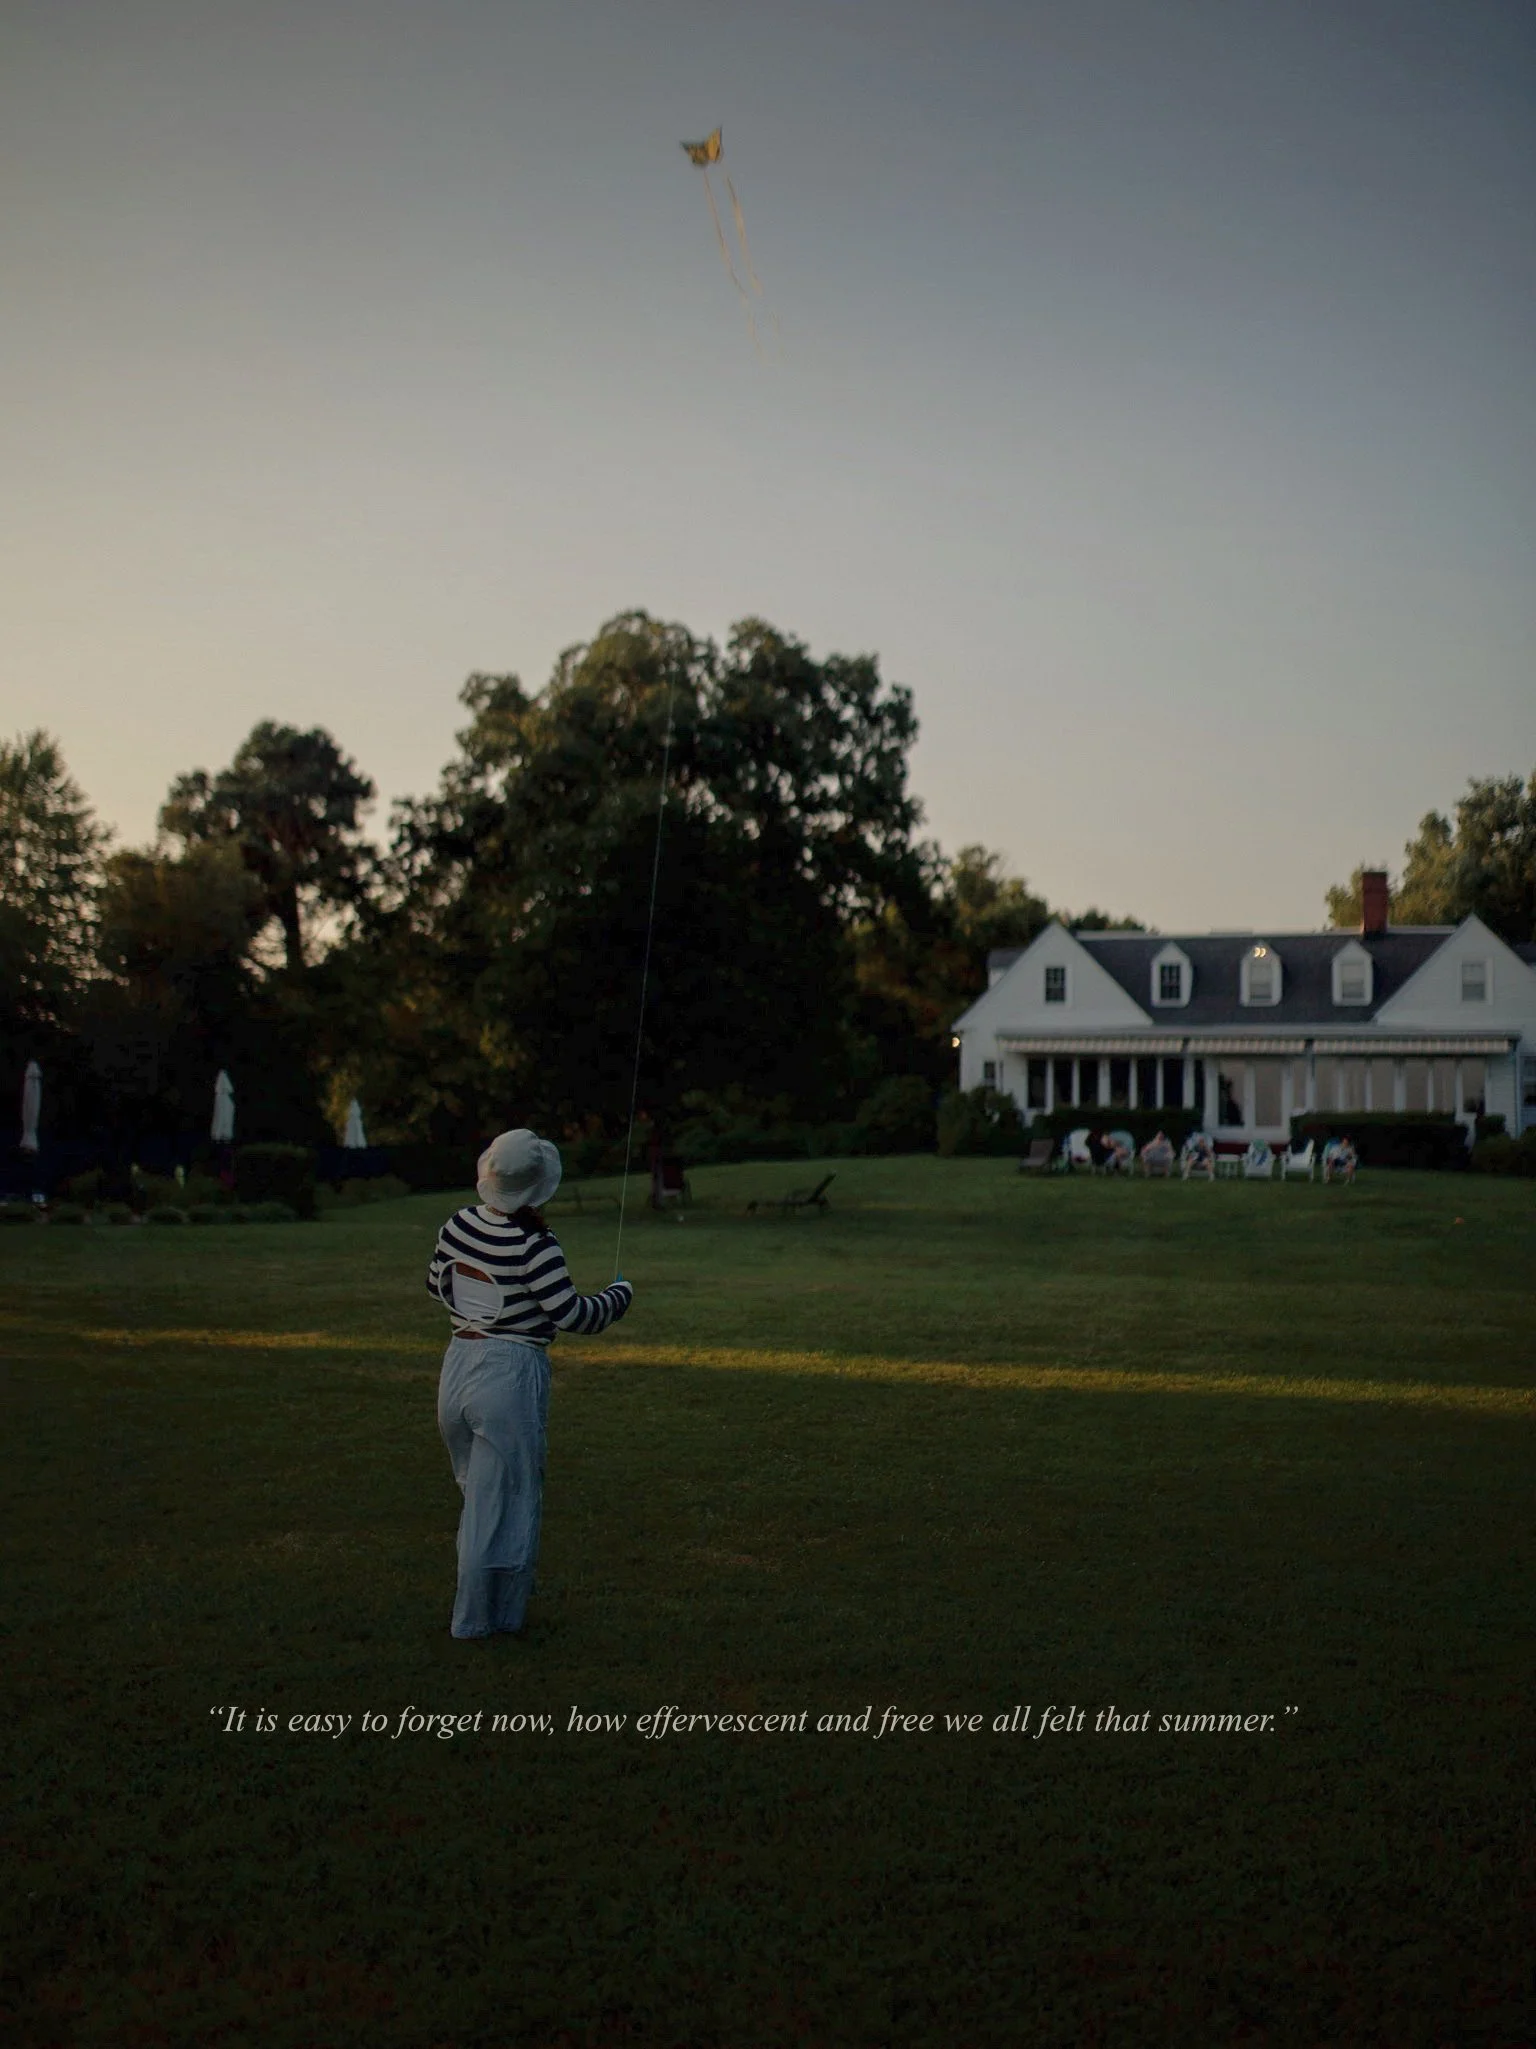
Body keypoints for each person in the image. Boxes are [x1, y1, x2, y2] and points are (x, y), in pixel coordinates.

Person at [427, 1129, 633, 1640]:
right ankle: (479, 1623)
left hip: (457, 1366)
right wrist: (618, 1297)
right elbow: (571, 1314)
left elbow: (436, 1285)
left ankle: (493, 1616)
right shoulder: (535, 1244)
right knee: (502, 1504)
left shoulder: (457, 1224)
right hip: (509, 1376)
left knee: (481, 1498)